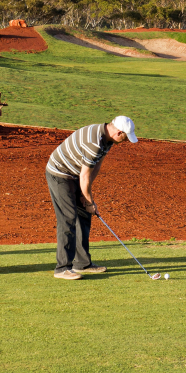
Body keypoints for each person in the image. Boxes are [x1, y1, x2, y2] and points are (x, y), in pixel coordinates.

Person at [45, 115, 138, 280]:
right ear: (118, 132)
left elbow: (95, 166)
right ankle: (62, 268)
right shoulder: (94, 143)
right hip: (60, 174)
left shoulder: (107, 140)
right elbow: (85, 177)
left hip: (76, 174)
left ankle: (82, 263)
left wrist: (85, 196)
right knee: (68, 218)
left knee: (84, 214)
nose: (124, 141)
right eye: (125, 137)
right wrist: (89, 201)